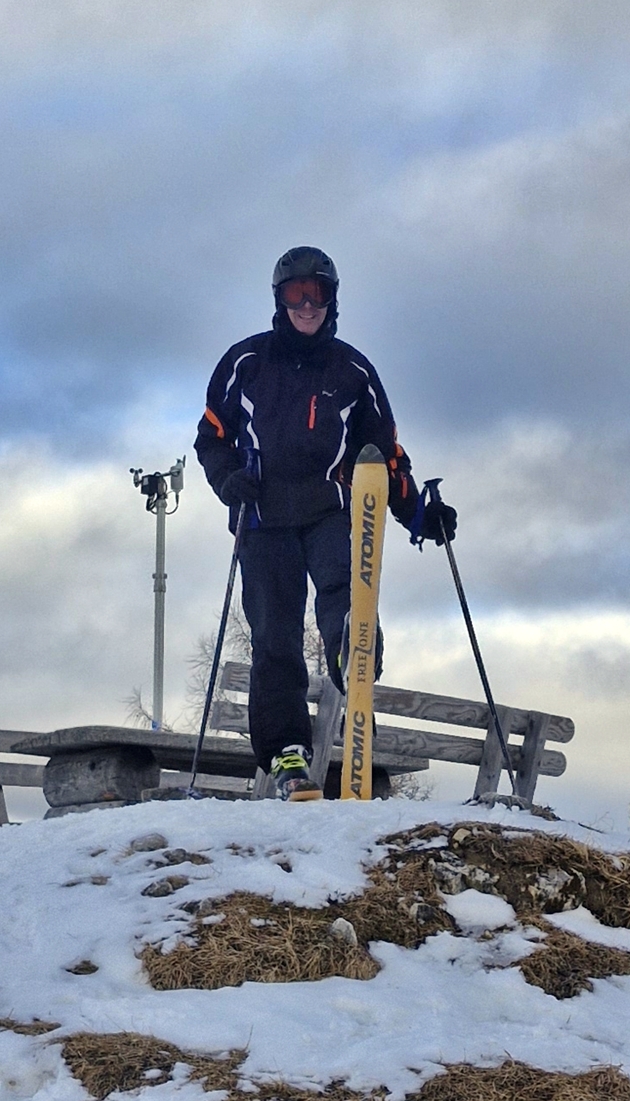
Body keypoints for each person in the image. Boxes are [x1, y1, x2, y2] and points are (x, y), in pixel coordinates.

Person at [194, 245, 456, 800]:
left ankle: (352, 656)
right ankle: (287, 752)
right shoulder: (246, 363)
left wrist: (418, 514)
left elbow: (384, 458)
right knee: (275, 635)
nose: (307, 305)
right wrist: (227, 481)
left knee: (344, 594)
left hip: (330, 512)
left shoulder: (352, 371)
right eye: (297, 294)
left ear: (332, 300)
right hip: (263, 518)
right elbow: (212, 437)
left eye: (318, 293)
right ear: (280, 300)